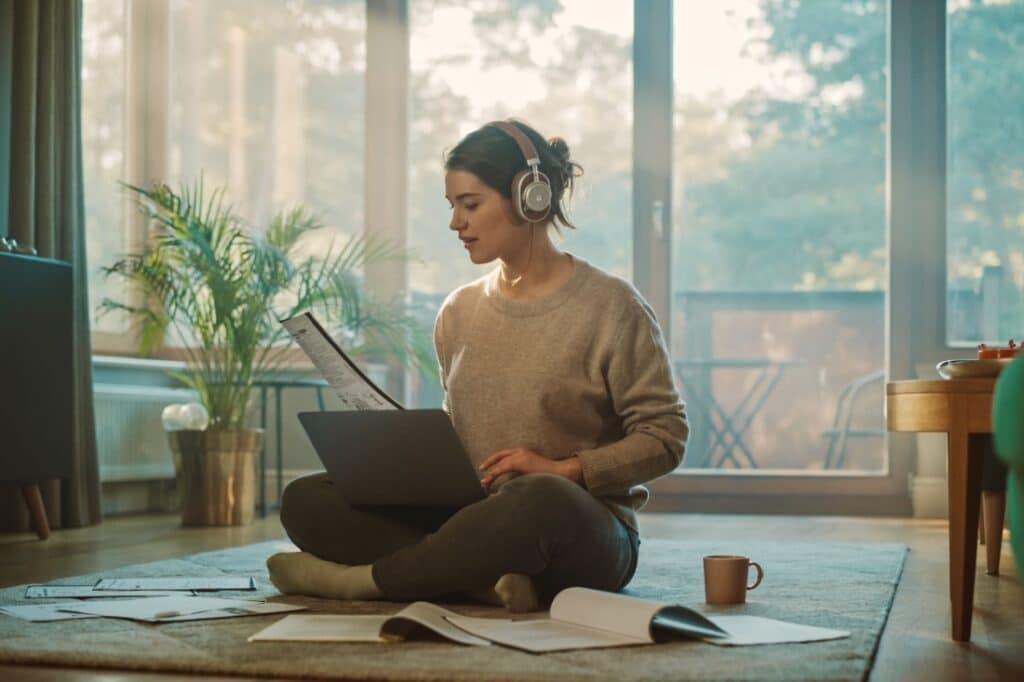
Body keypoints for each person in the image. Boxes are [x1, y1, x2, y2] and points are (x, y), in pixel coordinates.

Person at [267, 119, 688, 612]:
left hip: (576, 527)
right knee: (306, 500)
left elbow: (665, 436)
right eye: (452, 207)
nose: (455, 223)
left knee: (537, 498)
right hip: (472, 518)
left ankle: (369, 582)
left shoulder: (612, 306)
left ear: (530, 197)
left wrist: (563, 470)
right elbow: (462, 430)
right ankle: (478, 582)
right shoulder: (458, 311)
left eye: (470, 205)